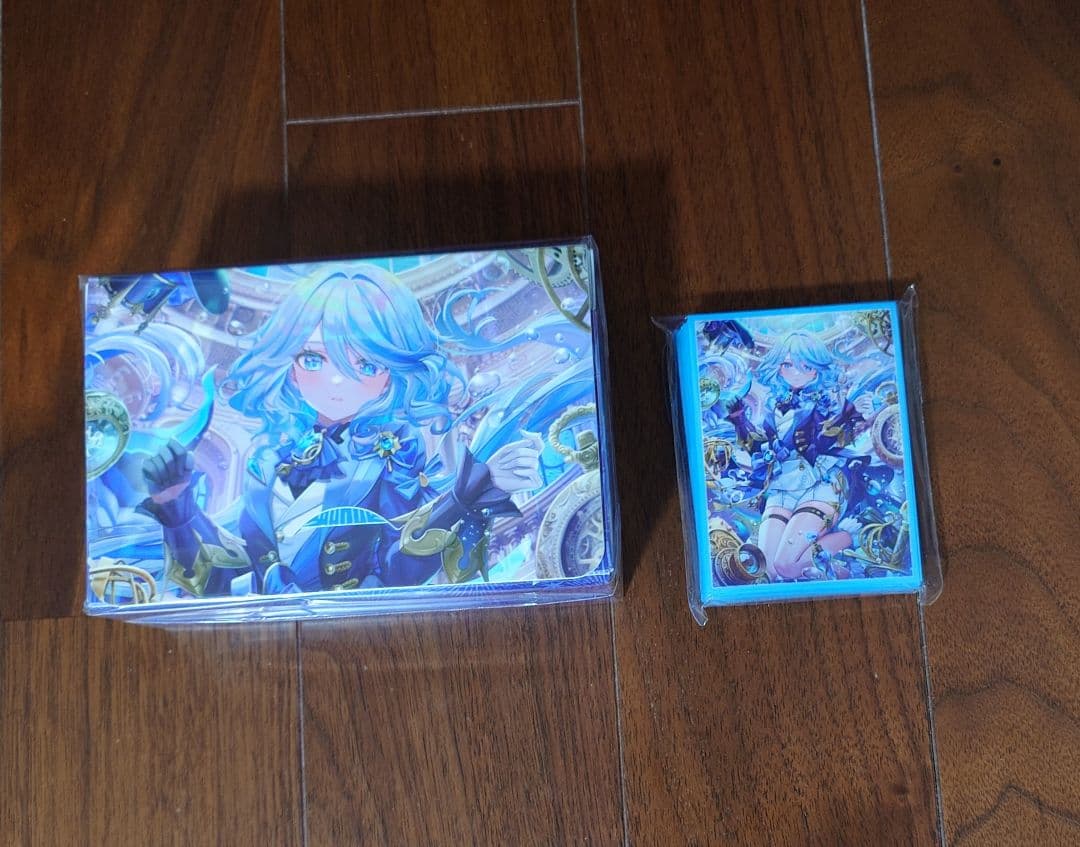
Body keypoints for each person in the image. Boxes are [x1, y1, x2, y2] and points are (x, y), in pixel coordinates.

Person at [137, 266, 543, 597]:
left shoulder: (391, 455)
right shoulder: (267, 462)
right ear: (288, 362)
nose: (336, 382)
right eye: (313, 358)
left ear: (392, 373)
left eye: (366, 365)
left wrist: (464, 498)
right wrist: (177, 509)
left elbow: (398, 569)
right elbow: (225, 580)